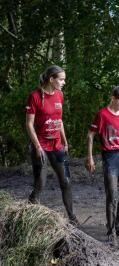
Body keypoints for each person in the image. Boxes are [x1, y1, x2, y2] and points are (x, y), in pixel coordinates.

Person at [25, 65, 78, 225]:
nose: (63, 82)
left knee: (66, 181)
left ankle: (72, 217)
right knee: (40, 183)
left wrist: (65, 140)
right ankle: (28, 214)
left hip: (56, 145)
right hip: (40, 145)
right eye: (61, 79)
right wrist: (37, 147)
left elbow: (59, 120)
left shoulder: (59, 95)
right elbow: (29, 124)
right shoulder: (35, 96)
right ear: (51, 79)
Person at [85, 86, 119, 247]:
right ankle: (111, 232)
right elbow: (90, 135)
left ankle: (118, 224)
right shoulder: (102, 115)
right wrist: (90, 157)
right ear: (113, 98)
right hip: (110, 159)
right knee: (112, 196)